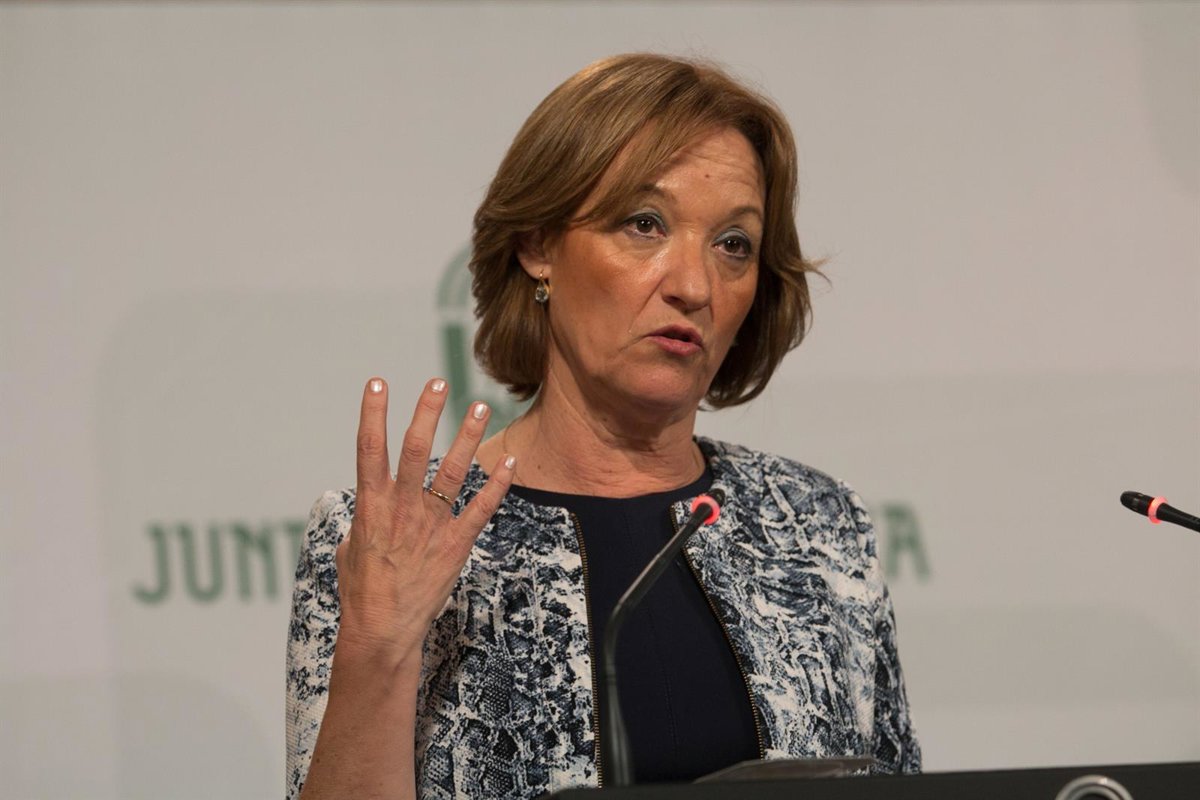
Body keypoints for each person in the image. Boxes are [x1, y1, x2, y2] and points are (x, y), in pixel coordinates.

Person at [286, 53, 920, 800]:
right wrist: (379, 650)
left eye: (734, 244)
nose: (694, 286)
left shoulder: (814, 525)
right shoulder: (390, 536)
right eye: (644, 224)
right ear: (538, 245)